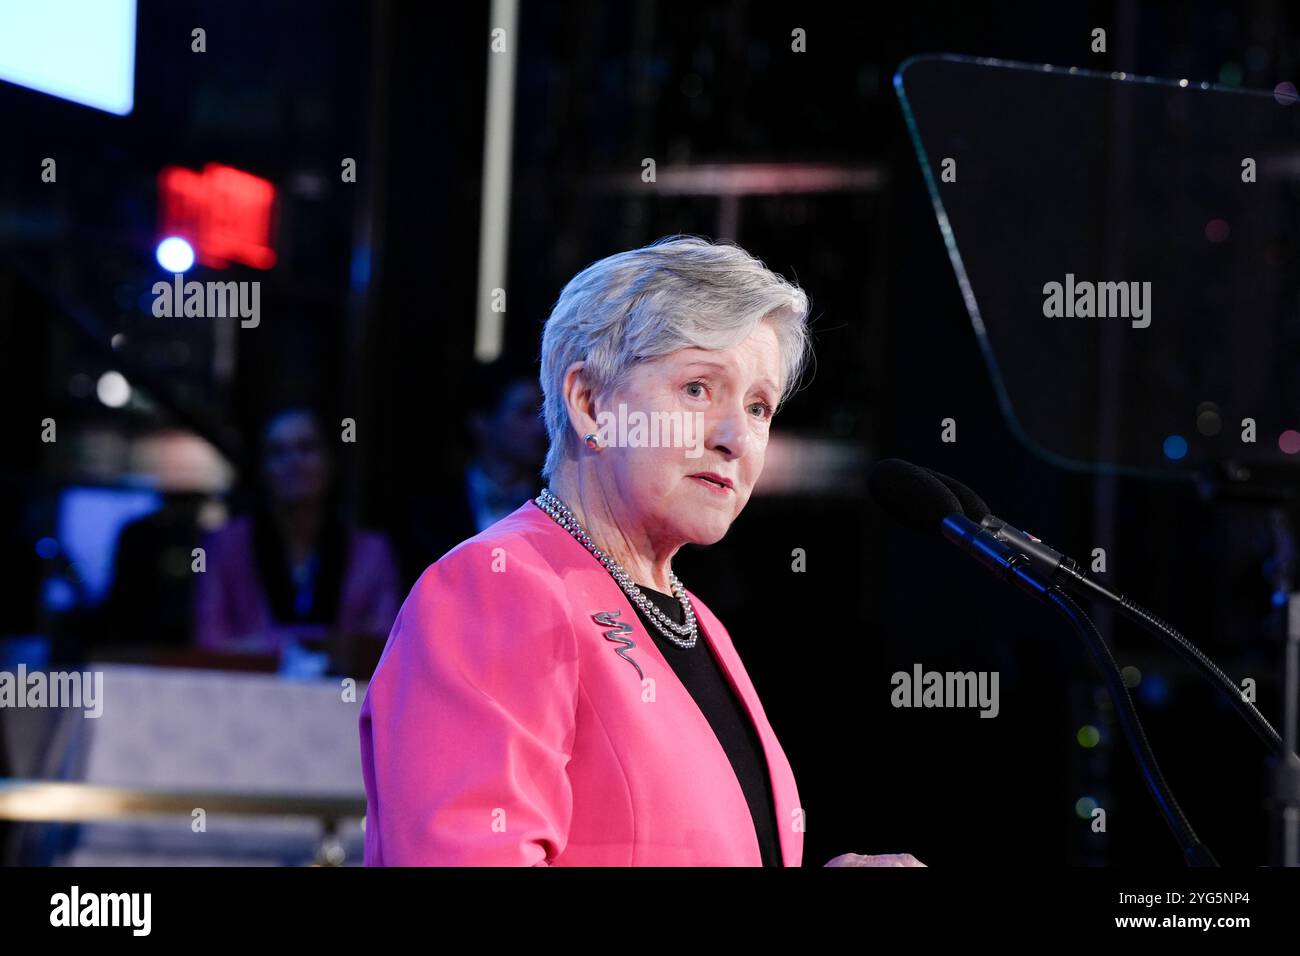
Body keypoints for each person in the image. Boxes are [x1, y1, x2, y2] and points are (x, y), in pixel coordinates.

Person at [359, 236, 924, 867]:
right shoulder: (496, 588)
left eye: (759, 406)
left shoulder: (698, 624)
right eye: (697, 389)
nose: (737, 437)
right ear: (590, 404)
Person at [192, 407, 401, 668]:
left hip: (345, 701)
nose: (293, 462)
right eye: (278, 452)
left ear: (330, 462)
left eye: (307, 448)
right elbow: (210, 643)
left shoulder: (372, 552)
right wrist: (291, 647)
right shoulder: (225, 546)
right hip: (247, 698)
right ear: (263, 468)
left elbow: (384, 646)